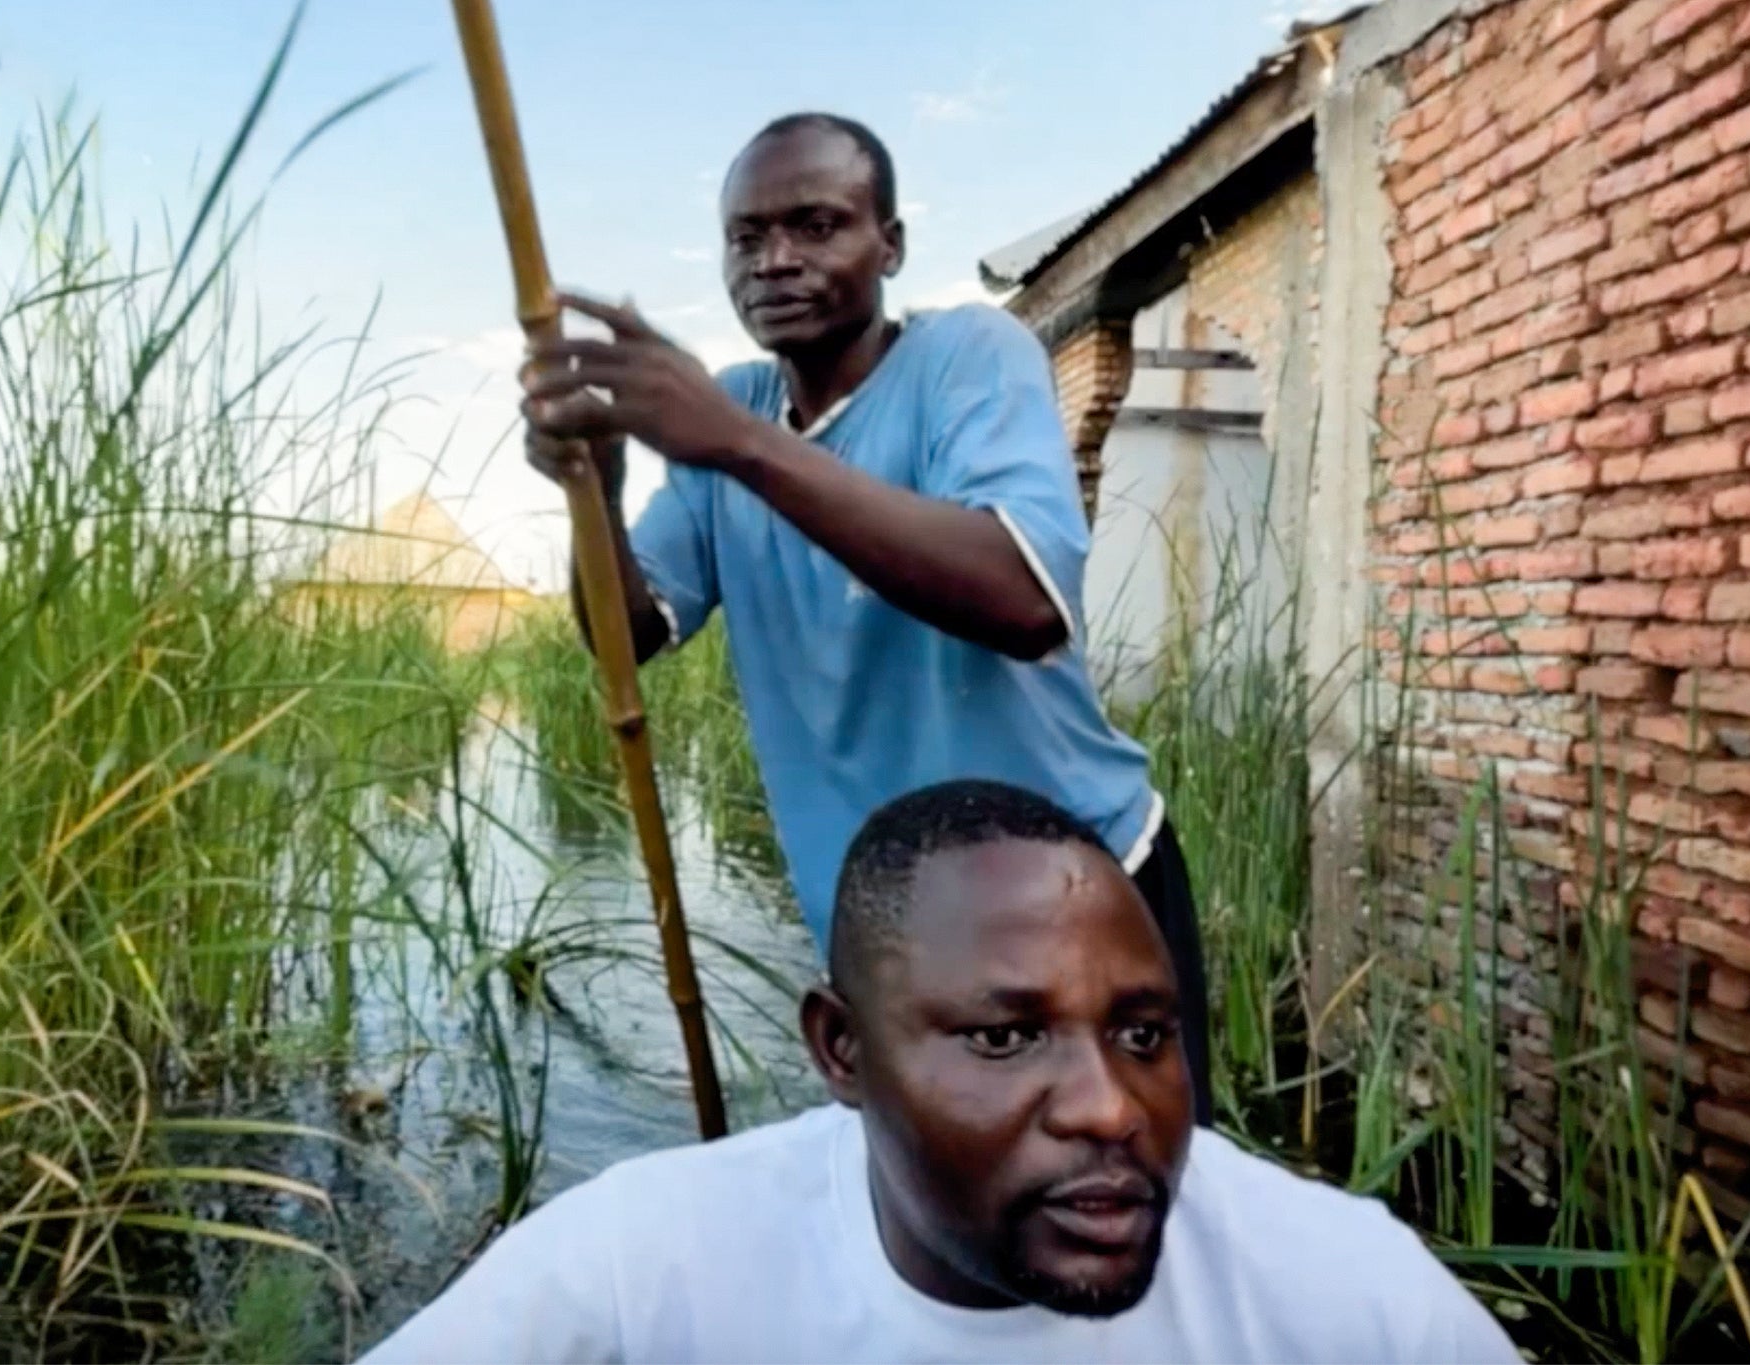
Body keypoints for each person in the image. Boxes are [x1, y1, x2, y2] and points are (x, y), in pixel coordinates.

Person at [519, 111, 1214, 1125]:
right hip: (889, 928)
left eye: (816, 226)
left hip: (1077, 896)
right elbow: (629, 636)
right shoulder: (738, 410)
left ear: (888, 245)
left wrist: (736, 446)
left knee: (1141, 1201)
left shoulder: (968, 357)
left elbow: (1019, 603)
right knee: (938, 1229)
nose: (775, 261)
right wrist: (600, 495)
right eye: (746, 238)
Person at [357, 779, 1521, 1364]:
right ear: (841, 1051)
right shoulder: (640, 1274)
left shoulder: (1345, 1298)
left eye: (1142, 1034)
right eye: (1004, 1038)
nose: (1111, 1110)